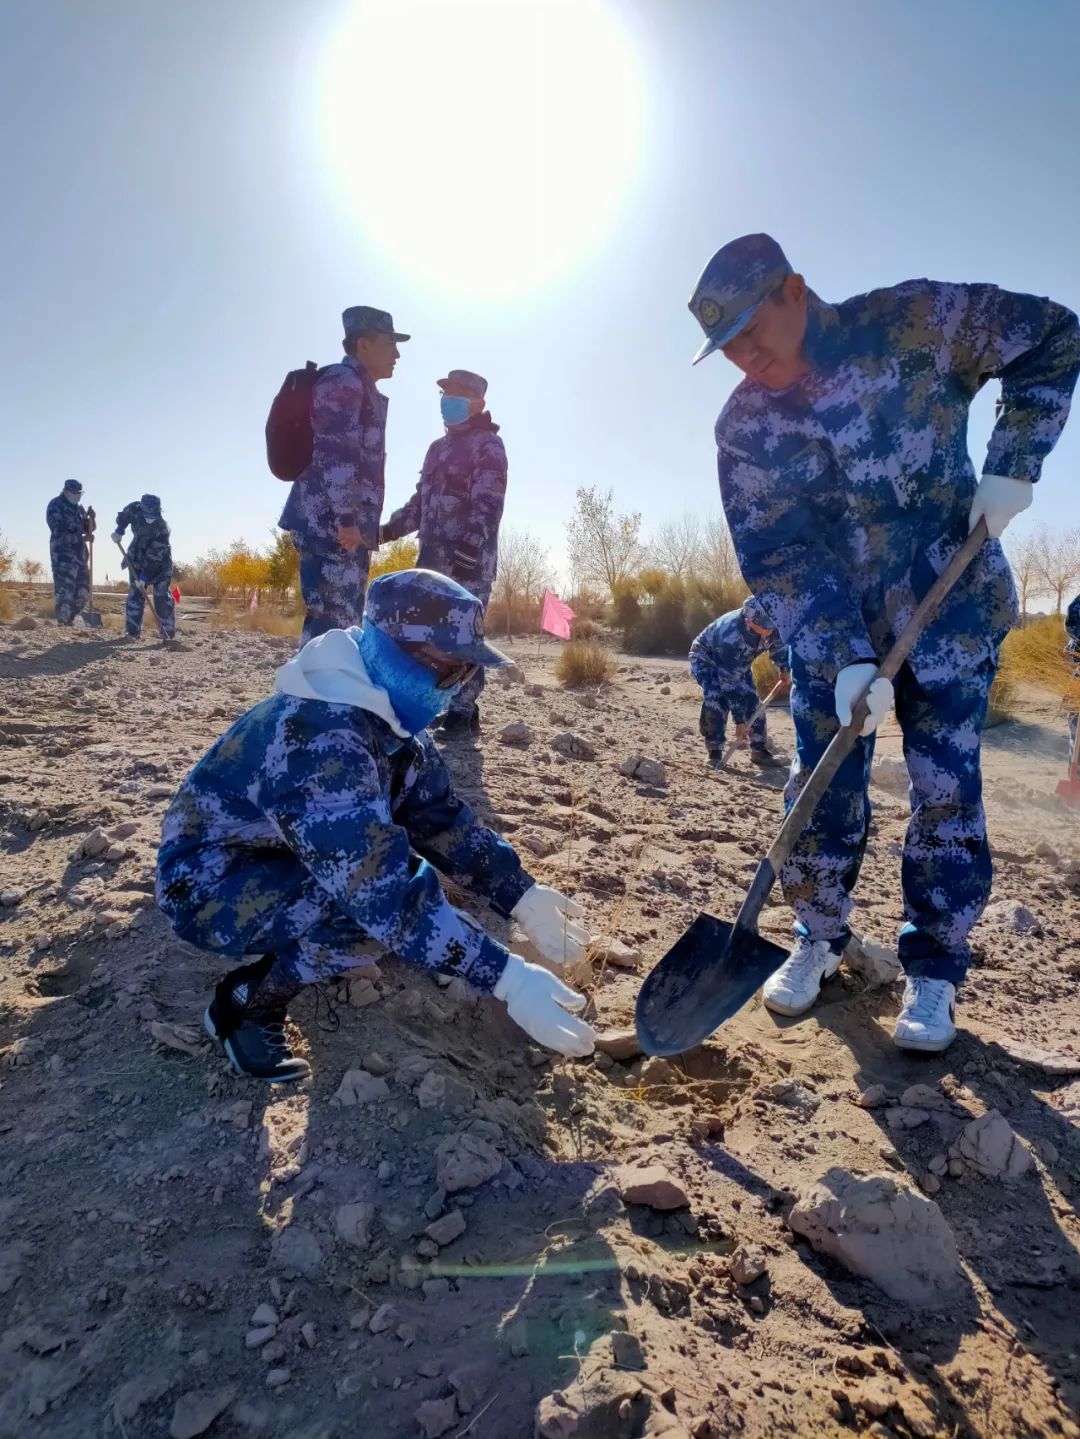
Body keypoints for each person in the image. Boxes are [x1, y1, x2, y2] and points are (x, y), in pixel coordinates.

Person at [689, 233, 1080, 1053]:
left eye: (753, 331)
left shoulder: (915, 322)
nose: (745, 358)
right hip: (836, 637)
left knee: (945, 793)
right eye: (727, 350)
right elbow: (779, 553)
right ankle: (818, 936)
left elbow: (1053, 334)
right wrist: (840, 657)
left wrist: (1014, 464)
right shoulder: (746, 429)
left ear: (795, 290)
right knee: (821, 786)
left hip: (952, 610)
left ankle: (934, 971)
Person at [156, 569, 595, 1083]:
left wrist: (521, 895)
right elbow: (383, 894)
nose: (453, 691)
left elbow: (440, 816)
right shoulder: (322, 739)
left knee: (397, 903)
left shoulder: (386, 714)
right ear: (391, 649)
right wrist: (506, 978)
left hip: (280, 855)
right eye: (445, 670)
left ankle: (291, 952)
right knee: (372, 918)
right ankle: (249, 1002)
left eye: (464, 675)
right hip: (210, 884)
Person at [381, 370, 507, 738]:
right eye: (444, 393)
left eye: (456, 394)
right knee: (430, 639)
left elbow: (489, 502)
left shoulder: (488, 446)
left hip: (470, 564)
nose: (446, 400)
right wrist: (386, 531)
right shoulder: (437, 449)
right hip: (433, 564)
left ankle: (463, 711)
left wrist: (470, 546)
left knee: (462, 638)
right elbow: (419, 504)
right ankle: (443, 705)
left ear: (478, 404)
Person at [280, 306, 409, 647]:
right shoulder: (343, 382)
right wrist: (347, 520)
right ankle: (314, 697)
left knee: (343, 626)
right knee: (330, 628)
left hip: (343, 530)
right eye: (389, 343)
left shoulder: (360, 387)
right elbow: (334, 453)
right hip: (331, 528)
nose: (396, 353)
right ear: (363, 345)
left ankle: (328, 697)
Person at [689, 597, 790, 769]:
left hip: (739, 662)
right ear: (749, 620)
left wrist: (784, 669)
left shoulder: (770, 624)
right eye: (764, 626)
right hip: (707, 659)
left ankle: (759, 750)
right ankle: (714, 751)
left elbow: (778, 645)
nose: (768, 630)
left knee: (752, 698)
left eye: (771, 626)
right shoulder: (730, 636)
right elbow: (730, 684)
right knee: (717, 698)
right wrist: (739, 723)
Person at [112, 494, 175, 639]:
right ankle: (132, 632)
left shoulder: (162, 529)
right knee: (135, 595)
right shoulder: (134, 509)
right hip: (137, 558)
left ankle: (167, 632)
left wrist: (144, 577)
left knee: (161, 596)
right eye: (147, 513)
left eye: (153, 514)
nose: (149, 517)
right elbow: (123, 518)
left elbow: (155, 558)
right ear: (142, 508)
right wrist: (119, 530)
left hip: (160, 564)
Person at [45, 479, 93, 626]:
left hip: (80, 556)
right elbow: (59, 532)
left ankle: (70, 620)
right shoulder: (55, 506)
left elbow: (87, 529)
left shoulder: (79, 509)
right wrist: (84, 537)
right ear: (66, 491)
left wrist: (92, 520)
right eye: (74, 493)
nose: (77, 496)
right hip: (63, 556)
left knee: (84, 591)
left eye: (79, 493)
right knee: (65, 591)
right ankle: (63, 623)